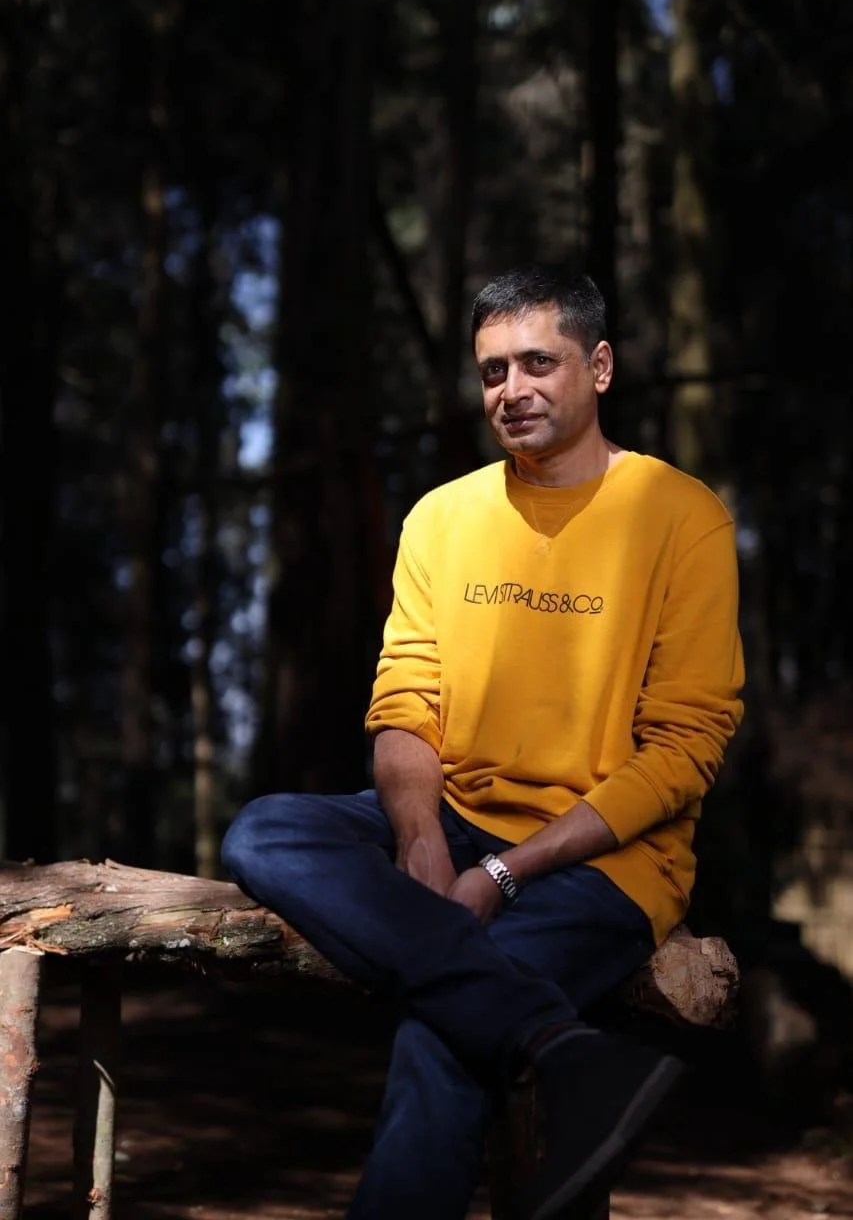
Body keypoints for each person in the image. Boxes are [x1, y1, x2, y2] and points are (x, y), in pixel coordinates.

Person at [222, 265, 745, 1220]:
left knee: (439, 1031)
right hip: (455, 817)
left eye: (537, 362)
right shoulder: (441, 516)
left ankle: (527, 1045)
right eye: (493, 371)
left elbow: (684, 748)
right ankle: (560, 1046)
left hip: (605, 860)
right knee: (265, 832)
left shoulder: (682, 517)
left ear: (599, 366)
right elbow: (405, 698)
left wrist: (504, 874)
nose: (512, 390)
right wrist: (422, 840)